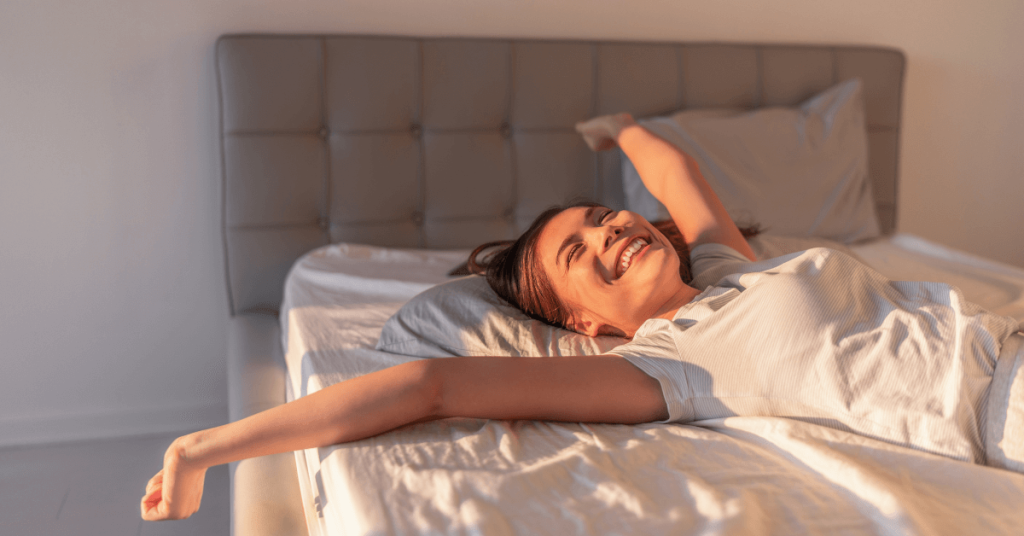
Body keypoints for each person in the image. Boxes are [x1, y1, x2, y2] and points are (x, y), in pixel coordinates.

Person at [141, 114, 1024, 521]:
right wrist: (202, 449)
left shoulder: (726, 269)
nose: (610, 232)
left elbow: (676, 175)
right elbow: (431, 385)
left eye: (603, 217)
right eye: (579, 252)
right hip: (1002, 408)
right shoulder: (669, 368)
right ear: (587, 324)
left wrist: (619, 128)